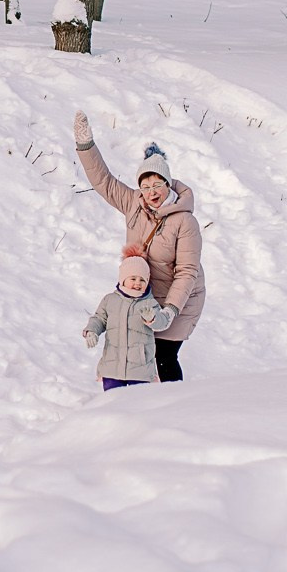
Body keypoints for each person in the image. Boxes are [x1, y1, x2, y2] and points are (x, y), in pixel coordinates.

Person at [72, 111, 206, 380]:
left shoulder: (185, 222)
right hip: (143, 295)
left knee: (163, 355)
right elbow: (103, 181)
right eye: (145, 186)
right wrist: (86, 145)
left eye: (158, 184)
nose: (151, 192)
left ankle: (173, 404)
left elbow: (187, 272)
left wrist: (170, 310)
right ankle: (139, 402)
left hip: (180, 299)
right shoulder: (134, 204)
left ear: (168, 185)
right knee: (140, 352)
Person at [83, 247, 174, 389]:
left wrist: (153, 319)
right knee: (113, 404)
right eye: (133, 279)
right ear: (123, 279)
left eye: (142, 280)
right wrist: (91, 331)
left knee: (137, 406)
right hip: (112, 367)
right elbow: (99, 319)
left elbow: (162, 323)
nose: (137, 283)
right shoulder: (110, 300)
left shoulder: (149, 303)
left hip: (140, 369)